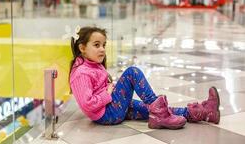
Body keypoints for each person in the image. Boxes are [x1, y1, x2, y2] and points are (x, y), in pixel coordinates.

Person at [69, 26, 220, 129]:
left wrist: (110, 90)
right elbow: (87, 104)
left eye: (103, 45)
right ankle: (159, 114)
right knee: (132, 72)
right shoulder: (80, 73)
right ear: (82, 48)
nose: (102, 49)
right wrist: (107, 93)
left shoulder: (92, 65)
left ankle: (205, 113)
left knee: (152, 109)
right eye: (96, 45)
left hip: (113, 108)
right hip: (107, 114)